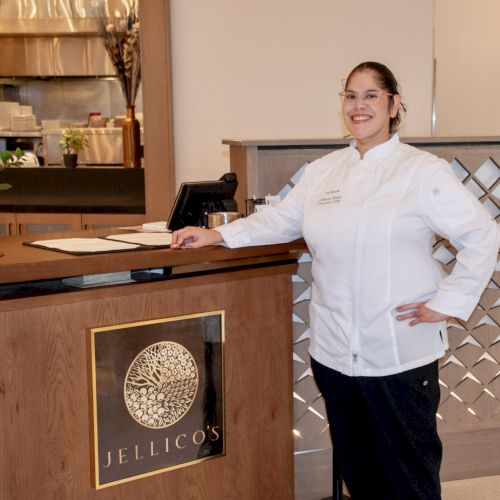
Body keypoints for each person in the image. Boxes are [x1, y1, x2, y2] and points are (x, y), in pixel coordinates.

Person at [171, 61, 499, 500]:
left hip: (399, 352)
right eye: (350, 95)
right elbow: (282, 220)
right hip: (335, 352)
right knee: (359, 471)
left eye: (370, 96)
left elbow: (482, 233)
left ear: (393, 104)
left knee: (409, 476)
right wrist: (216, 234)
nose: (358, 106)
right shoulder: (324, 171)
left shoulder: (423, 172)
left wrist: (449, 299)